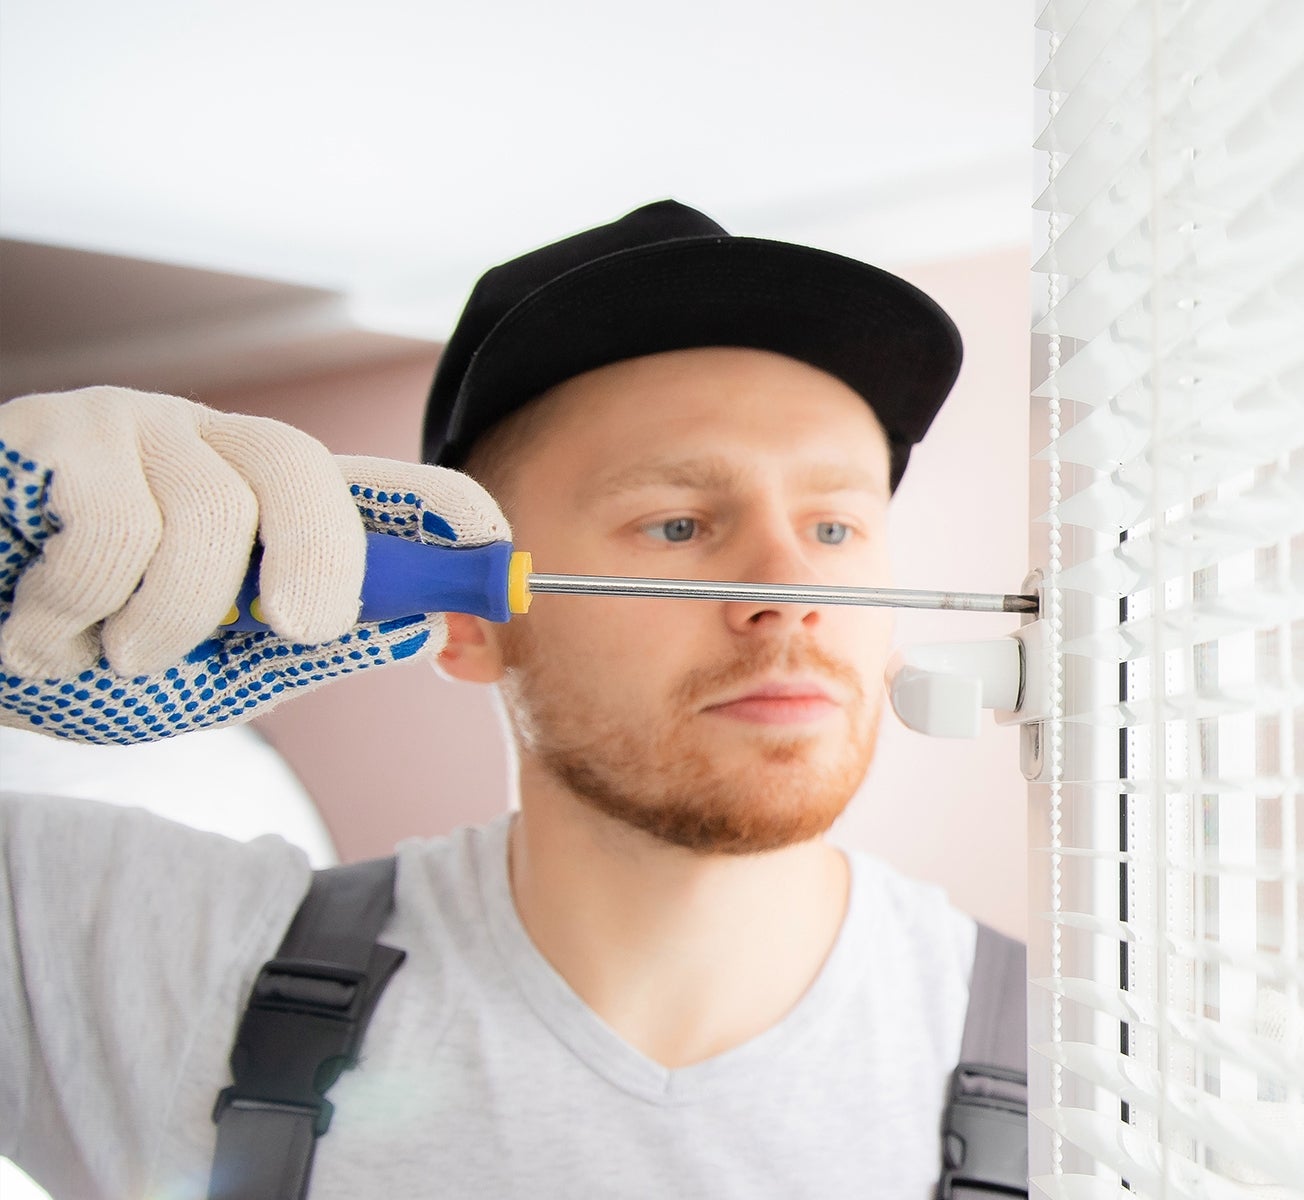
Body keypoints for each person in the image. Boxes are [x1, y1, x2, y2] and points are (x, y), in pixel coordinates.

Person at [0, 200, 1019, 1198]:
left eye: (834, 530)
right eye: (677, 524)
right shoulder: (143, 967)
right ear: (469, 619)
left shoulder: (1089, 1064)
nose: (784, 598)